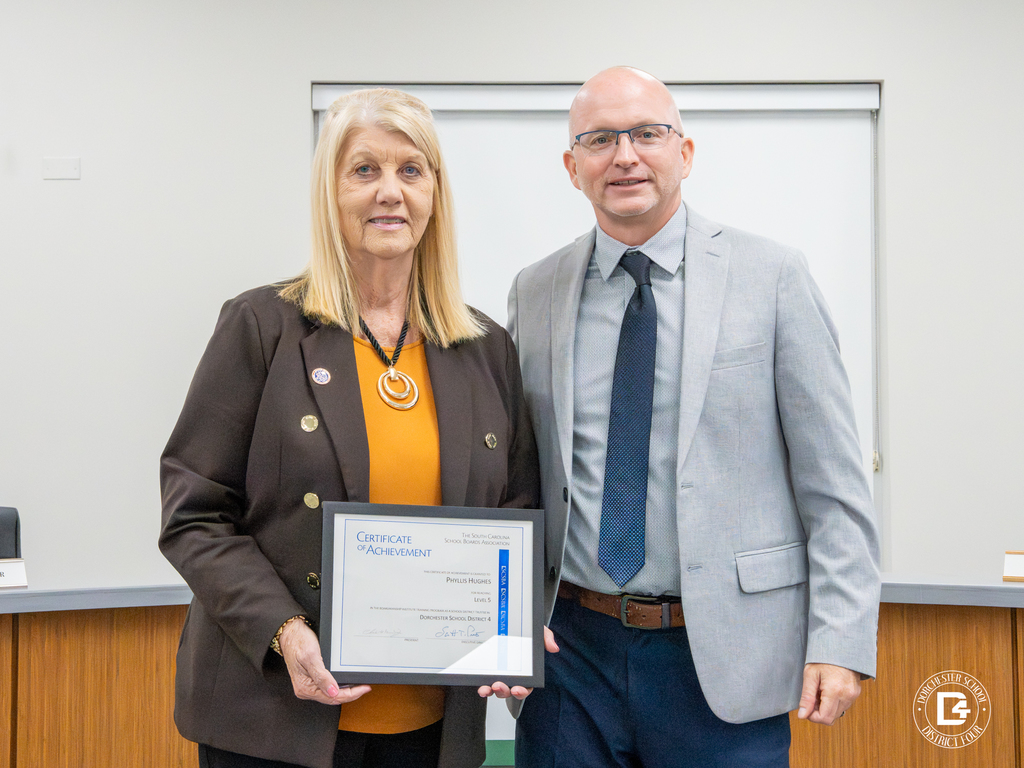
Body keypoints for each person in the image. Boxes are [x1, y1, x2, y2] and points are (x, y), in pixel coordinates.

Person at [506, 67, 880, 767]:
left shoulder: (773, 277)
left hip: (723, 655)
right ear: (571, 166)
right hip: (570, 659)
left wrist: (840, 637)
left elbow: (835, 487)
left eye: (648, 133)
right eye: (600, 139)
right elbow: (519, 475)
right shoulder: (535, 291)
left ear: (686, 152)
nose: (625, 155)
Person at [159, 88, 540, 768]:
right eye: (365, 170)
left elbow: (517, 511)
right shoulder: (262, 328)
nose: (390, 192)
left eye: (410, 170)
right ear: (330, 192)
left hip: (433, 731)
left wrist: (509, 629)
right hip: (274, 720)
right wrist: (285, 632)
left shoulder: (487, 349)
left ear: (435, 195)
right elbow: (195, 514)